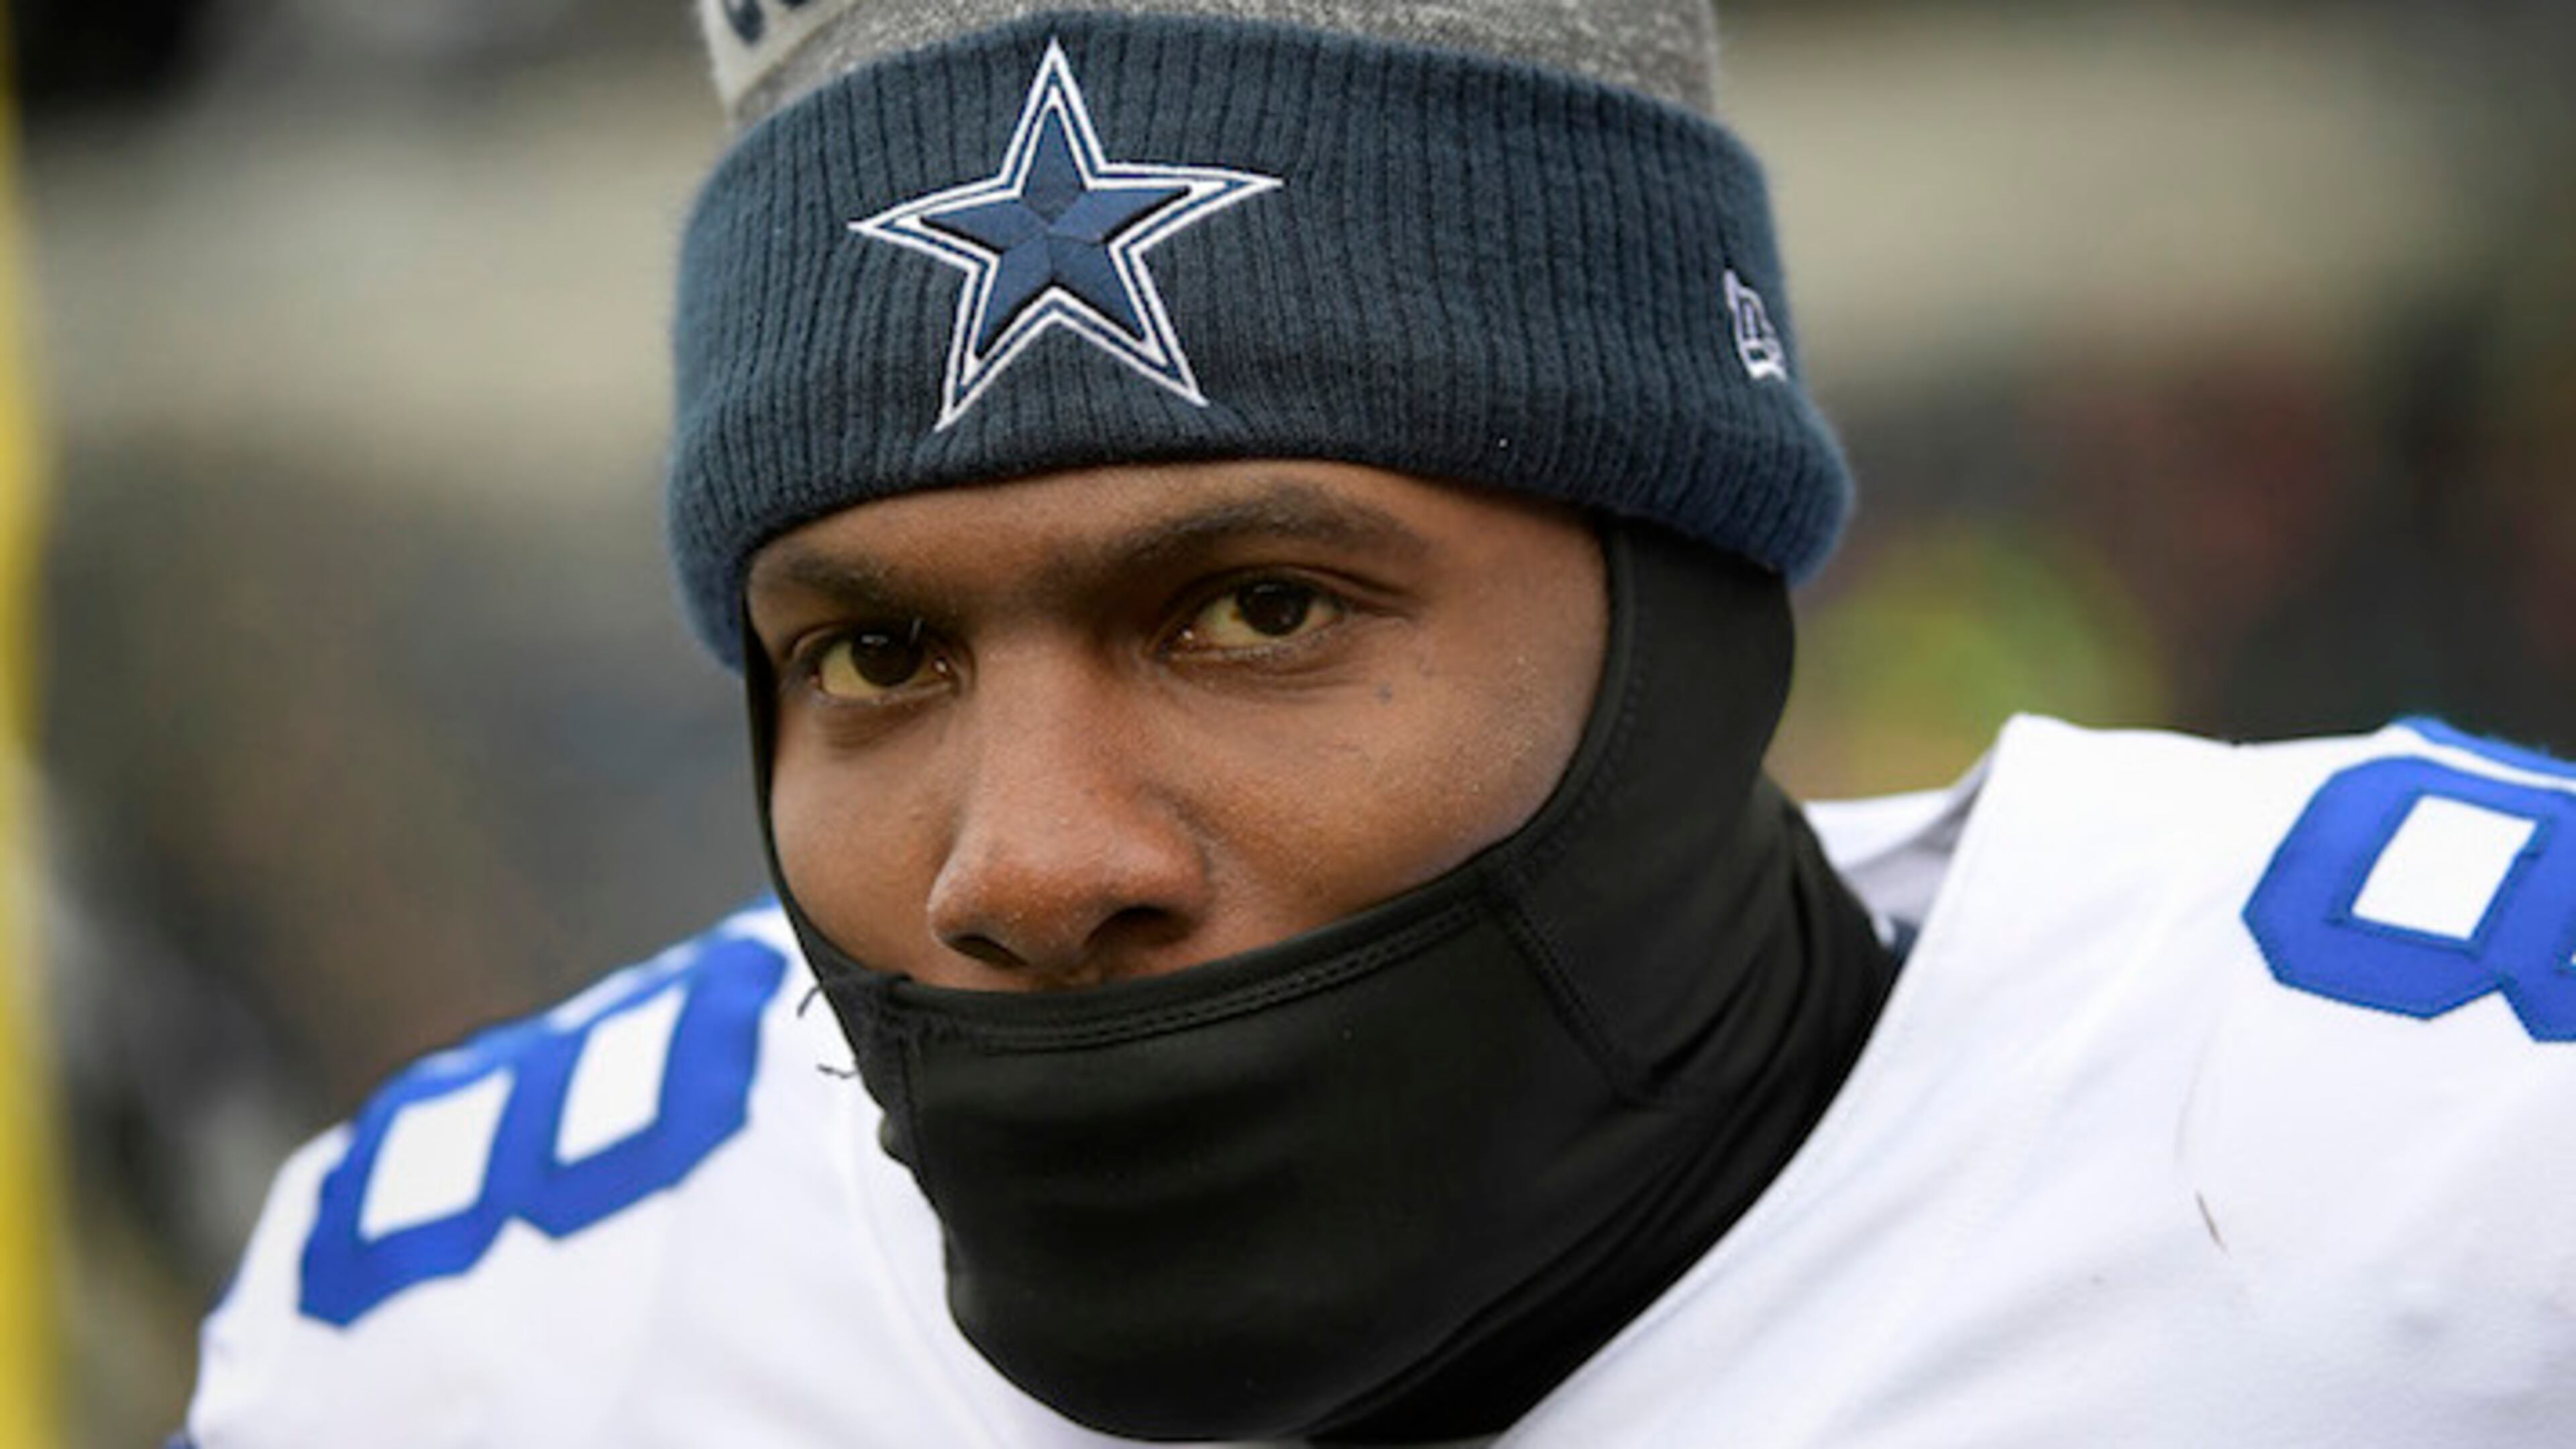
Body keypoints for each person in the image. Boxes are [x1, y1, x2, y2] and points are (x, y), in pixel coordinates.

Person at [179, 2, 2576, 1444]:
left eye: (1253, 606)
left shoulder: (2465, 1165)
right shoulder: (488, 1333)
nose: (1021, 860)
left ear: (1686, 590)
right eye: (877, 656)